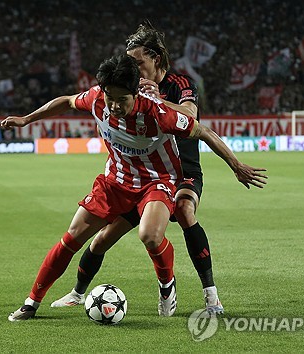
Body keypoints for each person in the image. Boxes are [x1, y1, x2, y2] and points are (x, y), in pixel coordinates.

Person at [2, 53, 267, 321]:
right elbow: (67, 101)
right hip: (115, 182)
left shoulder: (158, 113)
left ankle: (167, 285)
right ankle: (31, 303)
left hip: (157, 181)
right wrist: (26, 119)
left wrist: (236, 165)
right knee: (72, 237)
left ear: (135, 94)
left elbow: (204, 132)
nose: (114, 106)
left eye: (122, 99)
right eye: (110, 98)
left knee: (150, 236)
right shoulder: (96, 98)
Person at [50, 21, 244, 315]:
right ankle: (77, 293)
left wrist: (158, 100)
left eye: (138, 61)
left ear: (155, 57)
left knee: (185, 210)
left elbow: (191, 115)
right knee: (102, 238)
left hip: (183, 172)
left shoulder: (180, 84)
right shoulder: (131, 87)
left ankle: (211, 296)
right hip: (145, 179)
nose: (133, 66)